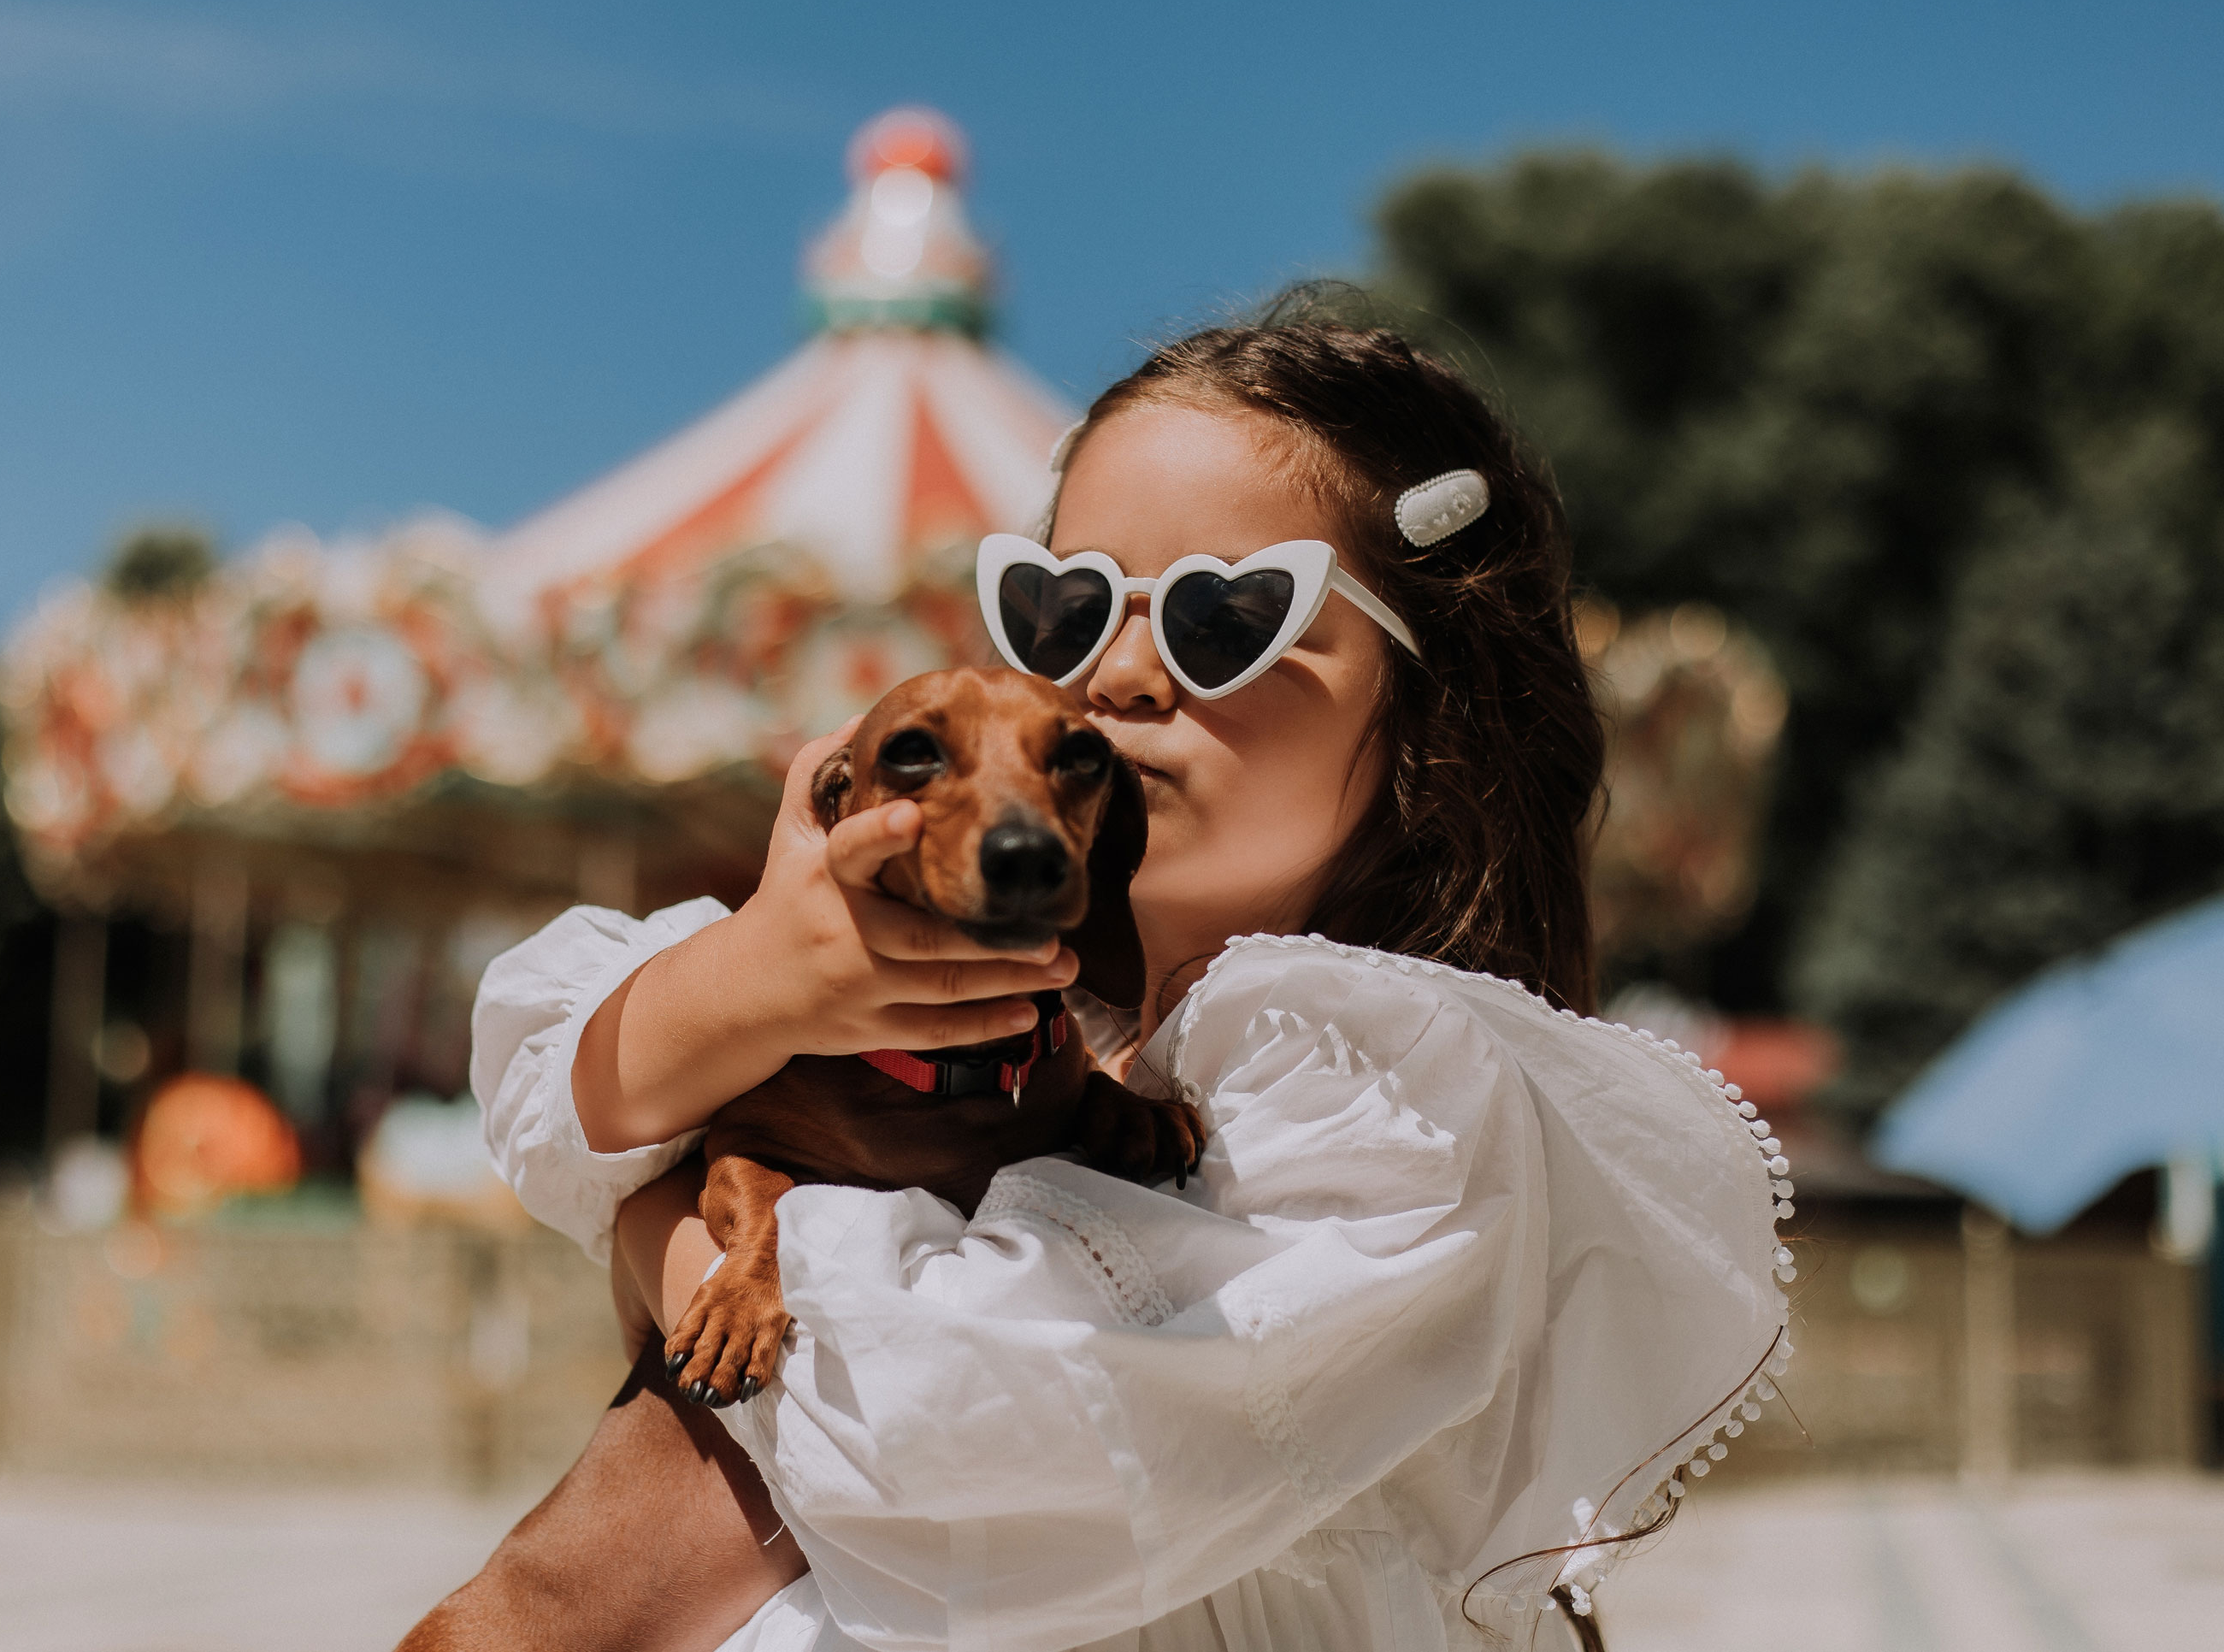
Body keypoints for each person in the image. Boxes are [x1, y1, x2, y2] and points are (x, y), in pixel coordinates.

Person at [462, 299, 1790, 1651]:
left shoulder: (1393, 1082)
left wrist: (669, 1233)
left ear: (1428, 707)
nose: (1120, 672)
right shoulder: (1062, 1034)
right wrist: (759, 976)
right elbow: (551, 1071)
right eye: (1065, 606)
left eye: (1228, 616)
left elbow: (955, 1425)